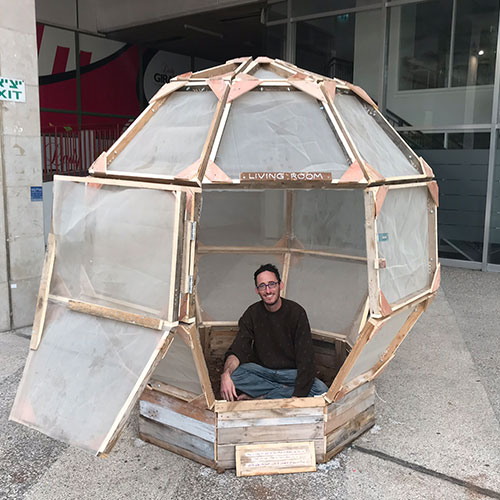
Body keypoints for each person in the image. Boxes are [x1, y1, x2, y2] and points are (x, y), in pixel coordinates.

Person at [220, 263, 328, 401]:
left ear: (280, 285)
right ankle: (278, 393)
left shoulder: (296, 313)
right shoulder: (252, 313)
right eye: (262, 286)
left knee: (321, 390)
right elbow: (238, 349)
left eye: (272, 284)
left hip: (291, 374)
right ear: (257, 290)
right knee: (235, 376)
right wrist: (225, 375)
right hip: (263, 372)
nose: (268, 290)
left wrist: (294, 398)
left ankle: (262, 397)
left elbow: (306, 360)